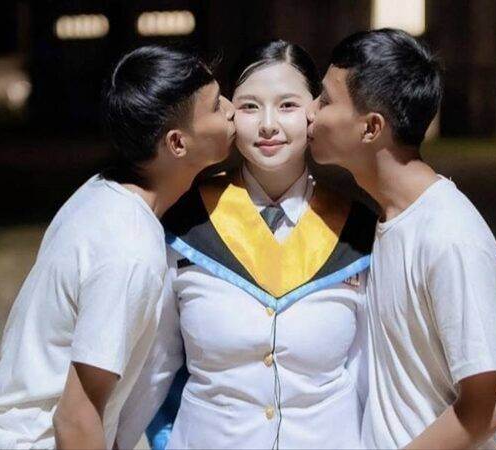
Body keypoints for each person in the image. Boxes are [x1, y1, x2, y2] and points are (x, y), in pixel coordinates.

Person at [0, 45, 235, 449]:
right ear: (177, 143)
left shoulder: (99, 193)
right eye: (217, 106)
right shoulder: (130, 247)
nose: (233, 110)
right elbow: (75, 419)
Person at [116, 40, 377, 450]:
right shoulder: (186, 222)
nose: (268, 125)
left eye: (287, 105)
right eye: (250, 107)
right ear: (228, 113)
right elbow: (156, 365)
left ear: (314, 110)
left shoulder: (357, 230)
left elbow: (367, 373)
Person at [307, 28, 496, 449]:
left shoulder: (449, 236)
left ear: (371, 128)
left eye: (325, 101)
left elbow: (490, 407)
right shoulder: (387, 219)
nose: (309, 112)